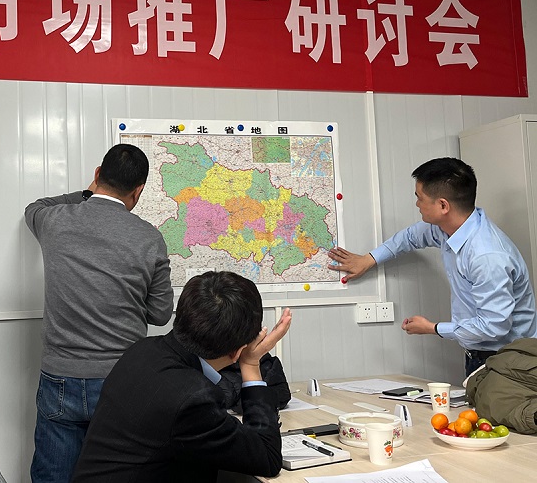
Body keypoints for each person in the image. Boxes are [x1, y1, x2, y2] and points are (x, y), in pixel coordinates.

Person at [25, 143, 174, 483]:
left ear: (97, 175)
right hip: (122, 380)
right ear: (138, 191)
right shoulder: (150, 238)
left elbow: (34, 206)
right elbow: (161, 314)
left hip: (60, 376)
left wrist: (87, 194)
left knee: (54, 477)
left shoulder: (54, 220)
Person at [71, 271, 292, 483]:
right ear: (237, 352)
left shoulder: (143, 350)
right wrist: (251, 364)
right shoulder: (192, 400)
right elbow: (267, 457)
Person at [328, 157, 537, 376]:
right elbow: (410, 237)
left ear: (443, 205)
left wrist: (433, 328)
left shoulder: (487, 256)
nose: (417, 204)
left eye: (420, 198)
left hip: (511, 363)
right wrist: (368, 259)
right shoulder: (448, 228)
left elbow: (493, 327)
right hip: (480, 355)